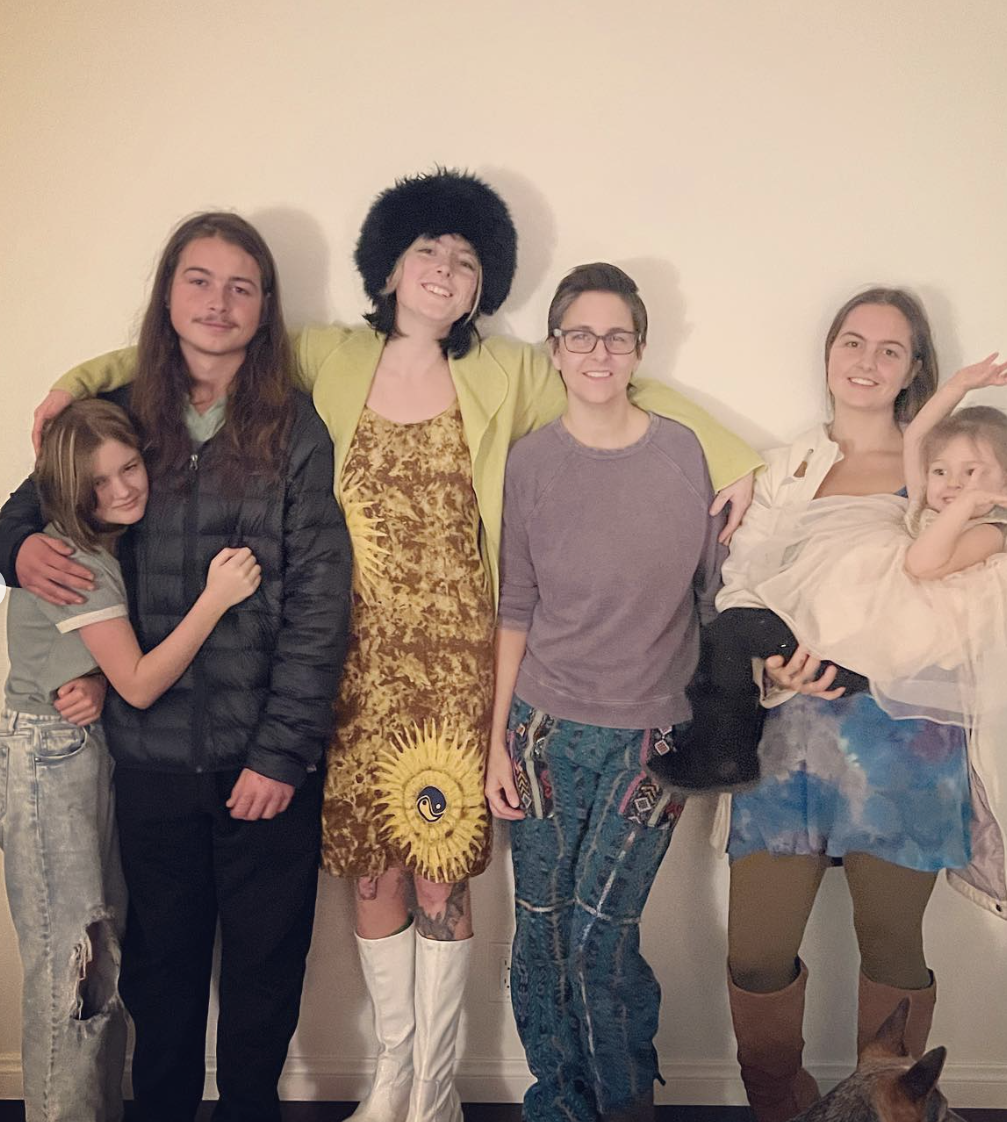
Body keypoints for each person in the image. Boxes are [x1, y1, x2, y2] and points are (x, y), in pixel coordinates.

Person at [28, 169, 762, 1122]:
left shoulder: (506, 371)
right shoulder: (326, 354)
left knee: (440, 861)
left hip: (458, 662)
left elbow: (615, 380)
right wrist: (75, 382)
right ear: (387, 267)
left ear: (484, 284)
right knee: (371, 863)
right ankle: (392, 1075)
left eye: (465, 260)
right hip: (350, 664)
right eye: (427, 251)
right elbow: (189, 349)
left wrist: (730, 456)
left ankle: (436, 1090)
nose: (444, 270)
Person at [0, 213, 352, 1122]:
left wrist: (282, 753)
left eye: (241, 286)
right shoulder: (124, 409)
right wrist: (13, 549)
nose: (218, 302)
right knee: (159, 975)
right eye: (199, 279)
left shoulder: (296, 427)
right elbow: (38, 505)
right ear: (167, 294)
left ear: (265, 306)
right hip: (148, 756)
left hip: (262, 763)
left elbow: (320, 604)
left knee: (265, 974)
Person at [708, 288, 1007, 1122]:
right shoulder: (785, 469)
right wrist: (776, 656)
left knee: (892, 942)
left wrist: (878, 654)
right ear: (829, 354)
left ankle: (890, 1111)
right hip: (789, 734)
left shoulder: (950, 465)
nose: (867, 361)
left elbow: (984, 582)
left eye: (890, 349)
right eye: (853, 341)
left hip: (905, 735)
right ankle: (783, 1110)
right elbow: (740, 585)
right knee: (757, 954)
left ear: (915, 370)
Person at [484, 263, 724, 1122]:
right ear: (555, 349)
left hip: (654, 740)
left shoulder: (685, 453)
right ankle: (558, 1104)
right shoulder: (531, 463)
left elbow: (716, 595)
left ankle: (623, 1103)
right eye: (579, 335)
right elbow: (515, 606)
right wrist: (495, 741)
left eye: (615, 336)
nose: (598, 351)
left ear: (639, 349)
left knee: (599, 935)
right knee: (541, 934)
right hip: (542, 733)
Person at [652, 355, 1007, 791]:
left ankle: (724, 754)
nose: (952, 483)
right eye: (941, 471)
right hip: (839, 643)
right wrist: (959, 386)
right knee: (730, 631)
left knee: (731, 633)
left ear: (1005, 483)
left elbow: (922, 563)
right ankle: (726, 748)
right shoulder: (929, 504)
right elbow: (917, 435)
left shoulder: (990, 532)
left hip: (868, 668)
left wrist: (962, 508)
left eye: (971, 472)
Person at [2, 399, 259, 1122]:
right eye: (98, 482)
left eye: (129, 467)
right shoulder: (77, 560)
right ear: (68, 489)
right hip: (48, 760)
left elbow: (104, 665)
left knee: (101, 959)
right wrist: (215, 599)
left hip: (83, 747)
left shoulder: (108, 546)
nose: (121, 490)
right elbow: (141, 683)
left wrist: (93, 679)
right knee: (70, 970)